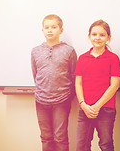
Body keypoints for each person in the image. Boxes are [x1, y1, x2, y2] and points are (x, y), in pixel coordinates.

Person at [31, 14, 77, 151]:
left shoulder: (69, 51)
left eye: (54, 27)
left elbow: (73, 74)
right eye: (46, 27)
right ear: (42, 30)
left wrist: (69, 96)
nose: (50, 30)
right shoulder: (35, 51)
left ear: (61, 30)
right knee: (46, 137)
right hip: (41, 100)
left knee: (60, 136)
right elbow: (35, 74)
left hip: (61, 100)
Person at [74, 20, 120, 151]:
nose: (98, 38)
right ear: (89, 36)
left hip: (106, 108)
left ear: (108, 38)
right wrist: (83, 104)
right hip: (85, 109)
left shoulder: (113, 58)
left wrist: (97, 106)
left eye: (102, 35)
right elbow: (78, 83)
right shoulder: (82, 58)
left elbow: (114, 85)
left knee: (106, 145)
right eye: (94, 34)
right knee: (81, 145)